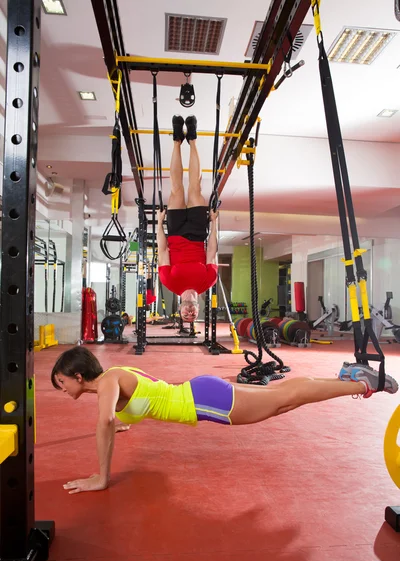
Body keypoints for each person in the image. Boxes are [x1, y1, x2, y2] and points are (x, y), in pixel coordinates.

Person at [50, 347, 398, 495]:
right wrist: (126, 422)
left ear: (79, 375)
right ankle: (350, 378)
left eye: (61, 382)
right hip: (202, 393)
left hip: (204, 400)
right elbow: (140, 401)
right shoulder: (113, 379)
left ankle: (364, 383)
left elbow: (104, 422)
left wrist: (102, 476)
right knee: (284, 399)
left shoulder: (109, 381)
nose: (61, 389)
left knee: (283, 400)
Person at [157, 115, 219, 323]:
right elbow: (211, 250)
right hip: (198, 232)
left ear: (180, 310)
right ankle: (192, 139)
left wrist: (159, 223)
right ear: (199, 309)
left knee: (176, 188)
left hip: (174, 233)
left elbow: (163, 250)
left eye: (186, 316)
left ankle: (176, 141)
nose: (190, 313)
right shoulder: (208, 281)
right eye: (193, 316)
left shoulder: (169, 282)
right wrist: (214, 222)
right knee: (195, 187)